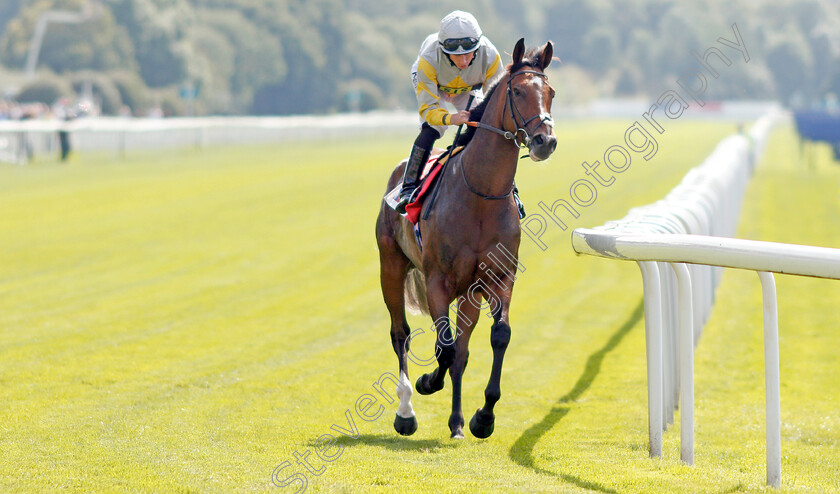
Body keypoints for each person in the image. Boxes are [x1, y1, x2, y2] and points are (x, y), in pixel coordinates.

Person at [395, 10, 502, 213]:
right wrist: (451, 118)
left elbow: (496, 101)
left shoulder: (491, 56)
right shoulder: (428, 59)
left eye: (468, 53)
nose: (462, 62)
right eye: (456, 55)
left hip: (468, 89)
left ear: (478, 48)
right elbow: (428, 110)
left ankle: (509, 189)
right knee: (432, 128)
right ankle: (407, 188)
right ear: (444, 50)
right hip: (435, 85)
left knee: (484, 126)